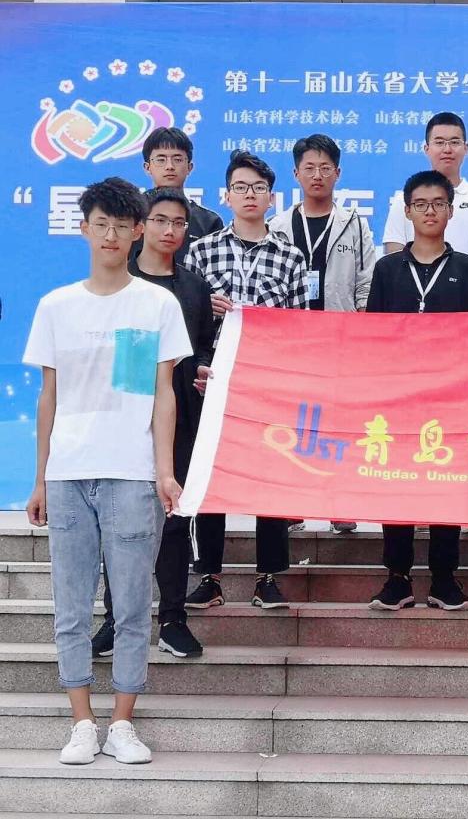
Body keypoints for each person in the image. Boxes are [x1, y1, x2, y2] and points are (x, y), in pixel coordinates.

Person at [24, 177, 192, 765]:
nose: (112, 235)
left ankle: (122, 722)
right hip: (70, 473)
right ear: (84, 229)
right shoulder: (56, 306)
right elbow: (49, 397)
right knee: (71, 605)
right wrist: (41, 477)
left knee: (132, 605)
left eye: (123, 225)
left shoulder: (156, 305)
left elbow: (163, 395)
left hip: (131, 472)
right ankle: (81, 722)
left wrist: (164, 472)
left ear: (138, 231)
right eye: (102, 224)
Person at [91, 187, 216, 661]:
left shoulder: (194, 288)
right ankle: (116, 619)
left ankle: (173, 619)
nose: (170, 230)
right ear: (142, 226)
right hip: (123, 415)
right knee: (119, 519)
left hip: (180, 415)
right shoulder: (119, 280)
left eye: (179, 223)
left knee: (175, 518)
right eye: (161, 220)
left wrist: (202, 368)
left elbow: (202, 345)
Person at [183, 150, 307, 610]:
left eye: (258, 188)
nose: (249, 195)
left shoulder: (290, 256)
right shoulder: (201, 251)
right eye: (241, 187)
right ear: (227, 195)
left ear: (272, 197)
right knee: (209, 471)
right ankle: (209, 576)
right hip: (214, 374)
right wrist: (200, 348)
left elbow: (299, 326)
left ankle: (268, 578)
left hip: (268, 379)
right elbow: (188, 322)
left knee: (269, 474)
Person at [364, 170, 468, 611]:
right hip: (398, 399)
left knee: (446, 486)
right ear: (407, 211)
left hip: (451, 398)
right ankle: (397, 579)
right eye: (420, 204)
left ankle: (444, 580)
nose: (429, 211)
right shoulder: (387, 269)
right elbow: (373, 337)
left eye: (438, 204)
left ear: (451, 211)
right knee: (395, 487)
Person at [268, 133, 376, 535]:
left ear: (338, 173)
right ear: (296, 173)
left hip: (340, 338)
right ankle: (291, 504)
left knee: (339, 423)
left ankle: (340, 503)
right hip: (292, 341)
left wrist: (360, 327)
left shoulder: (355, 224)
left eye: (325, 167)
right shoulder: (278, 226)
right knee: (292, 421)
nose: (317, 175)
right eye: (309, 168)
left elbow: (366, 281)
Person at [382, 112, 468, 261]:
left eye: (454, 142)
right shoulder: (404, 199)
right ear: (426, 148)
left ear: (466, 148)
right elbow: (394, 255)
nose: (447, 149)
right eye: (439, 142)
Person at [135, 126, 223, 265]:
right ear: (147, 167)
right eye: (161, 160)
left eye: (177, 159)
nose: (169, 166)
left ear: (189, 167)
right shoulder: (131, 215)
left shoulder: (208, 222)